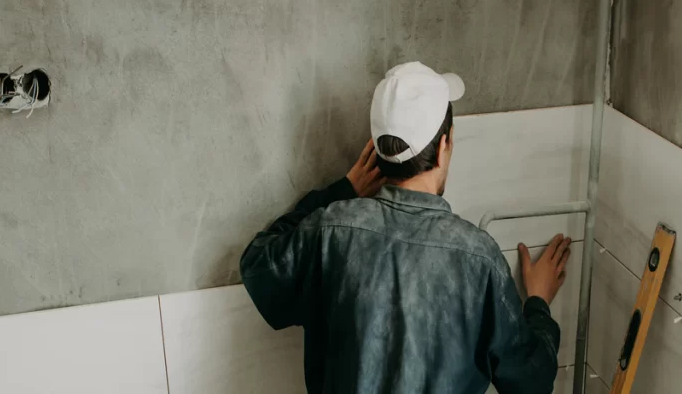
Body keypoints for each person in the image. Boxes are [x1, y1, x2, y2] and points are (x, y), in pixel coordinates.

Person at [240, 61, 572, 394]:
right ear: (443, 148)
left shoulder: (330, 231)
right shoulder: (479, 258)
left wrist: (343, 190)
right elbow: (532, 382)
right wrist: (538, 303)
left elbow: (257, 268)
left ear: (377, 151)